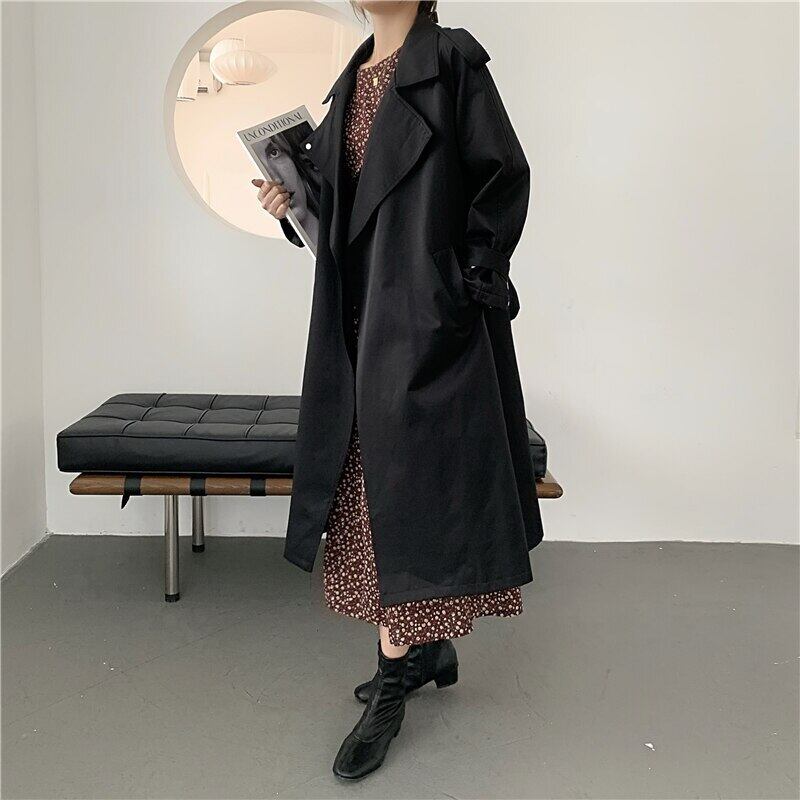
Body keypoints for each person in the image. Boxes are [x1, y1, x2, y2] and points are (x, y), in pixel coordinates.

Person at [254, 0, 544, 781]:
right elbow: (341, 216)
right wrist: (291, 203)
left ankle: (391, 685)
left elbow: (504, 176)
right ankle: (424, 652)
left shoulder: (449, 61)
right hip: (357, 323)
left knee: (408, 499)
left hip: (425, 319)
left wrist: (464, 283)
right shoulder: (350, 83)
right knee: (369, 491)